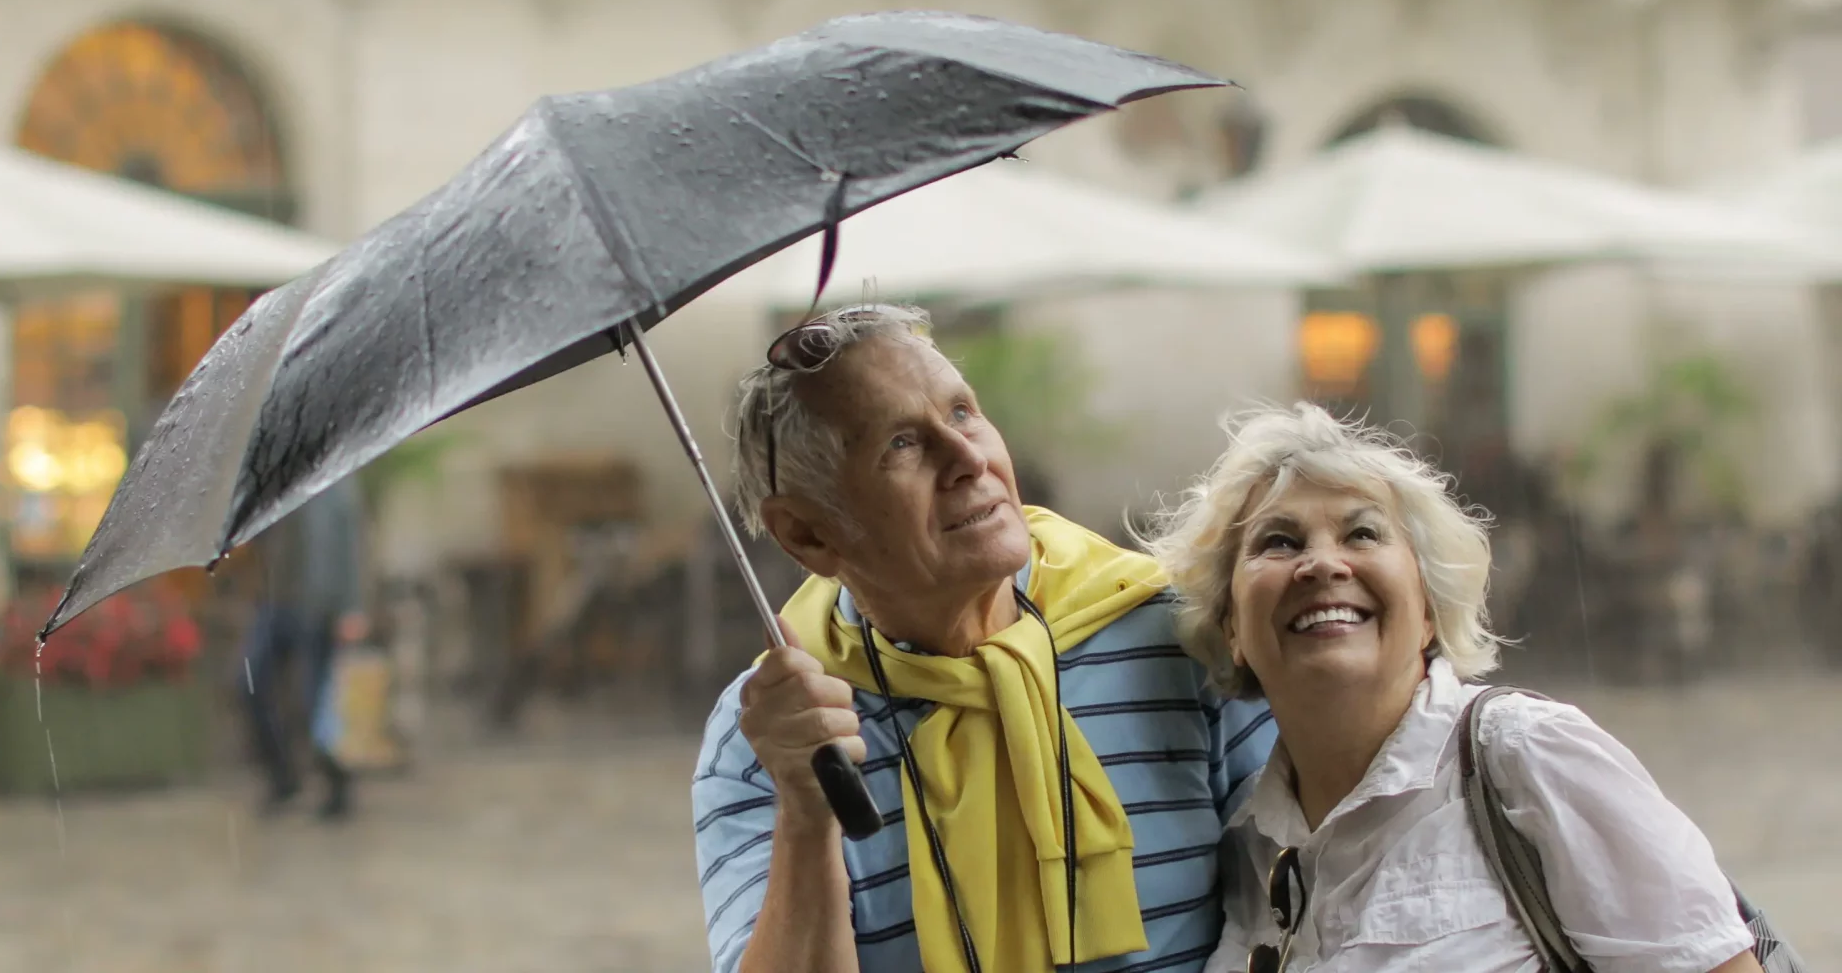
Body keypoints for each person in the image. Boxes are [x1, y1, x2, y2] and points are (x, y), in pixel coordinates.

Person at [691, 303, 1276, 973]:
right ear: (808, 533)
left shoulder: (1178, 639)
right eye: (901, 444)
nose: (969, 458)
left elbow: (1308, 900)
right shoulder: (771, 739)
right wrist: (806, 810)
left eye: (963, 411)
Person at [1141, 402, 1764, 972]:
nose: (1324, 563)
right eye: (1279, 542)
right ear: (1231, 632)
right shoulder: (1249, 850)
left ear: (1430, 609)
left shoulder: (1525, 756)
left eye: (1363, 534)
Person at [240, 479, 364, 821]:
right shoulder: (271, 481)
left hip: (317, 607)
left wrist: (351, 607)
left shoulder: (336, 483)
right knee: (250, 681)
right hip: (274, 604)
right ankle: (283, 776)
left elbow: (350, 546)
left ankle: (336, 780)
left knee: (316, 701)